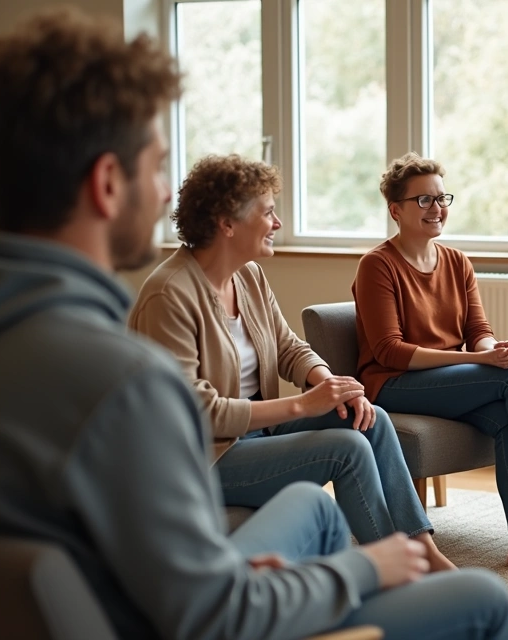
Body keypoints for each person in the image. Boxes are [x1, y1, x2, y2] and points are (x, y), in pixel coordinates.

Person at [0, 9, 508, 639]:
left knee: (311, 508)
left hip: (142, 597)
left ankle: (407, 550)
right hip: (200, 608)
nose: (166, 195)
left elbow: (128, 557)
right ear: (108, 183)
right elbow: (210, 615)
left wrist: (229, 569)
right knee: (484, 600)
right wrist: (358, 572)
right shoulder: (125, 383)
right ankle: (400, 565)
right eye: (157, 167)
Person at [128, 155, 455, 571]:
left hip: (255, 435)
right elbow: (195, 412)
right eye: (268, 212)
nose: (278, 222)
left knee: (370, 418)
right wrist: (303, 405)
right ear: (227, 223)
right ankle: (391, 570)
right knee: (346, 447)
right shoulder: (169, 294)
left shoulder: (247, 276)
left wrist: (332, 384)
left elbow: (286, 347)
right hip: (200, 459)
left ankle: (421, 546)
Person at [352, 153, 508, 572]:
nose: (437, 208)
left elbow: (478, 331)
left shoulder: (457, 262)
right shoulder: (377, 265)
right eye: (424, 200)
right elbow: (389, 351)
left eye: (442, 198)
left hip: (447, 381)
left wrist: (492, 350)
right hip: (394, 383)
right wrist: (484, 362)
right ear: (395, 209)